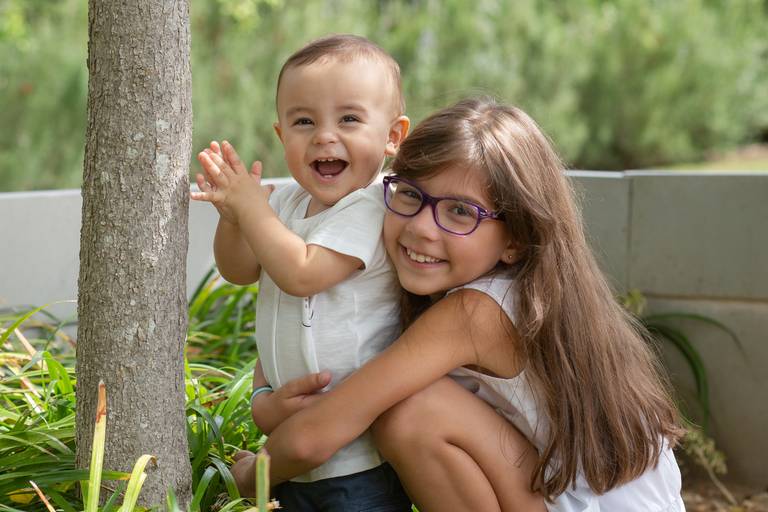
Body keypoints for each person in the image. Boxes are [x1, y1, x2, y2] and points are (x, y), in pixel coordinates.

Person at [232, 97, 687, 511]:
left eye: (460, 212)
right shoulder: (518, 290)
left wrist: (247, 477)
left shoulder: (478, 312)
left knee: (412, 416)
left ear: (515, 240)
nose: (423, 229)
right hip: (574, 493)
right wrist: (263, 397)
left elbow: (317, 435)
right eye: (410, 194)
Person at [191, 34, 412, 511]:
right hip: (295, 438)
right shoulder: (289, 200)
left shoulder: (372, 207)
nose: (324, 136)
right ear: (281, 135)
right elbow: (240, 270)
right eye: (304, 121)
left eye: (349, 119)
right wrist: (235, 221)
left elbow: (303, 273)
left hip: (358, 456)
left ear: (393, 136)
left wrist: (253, 211)